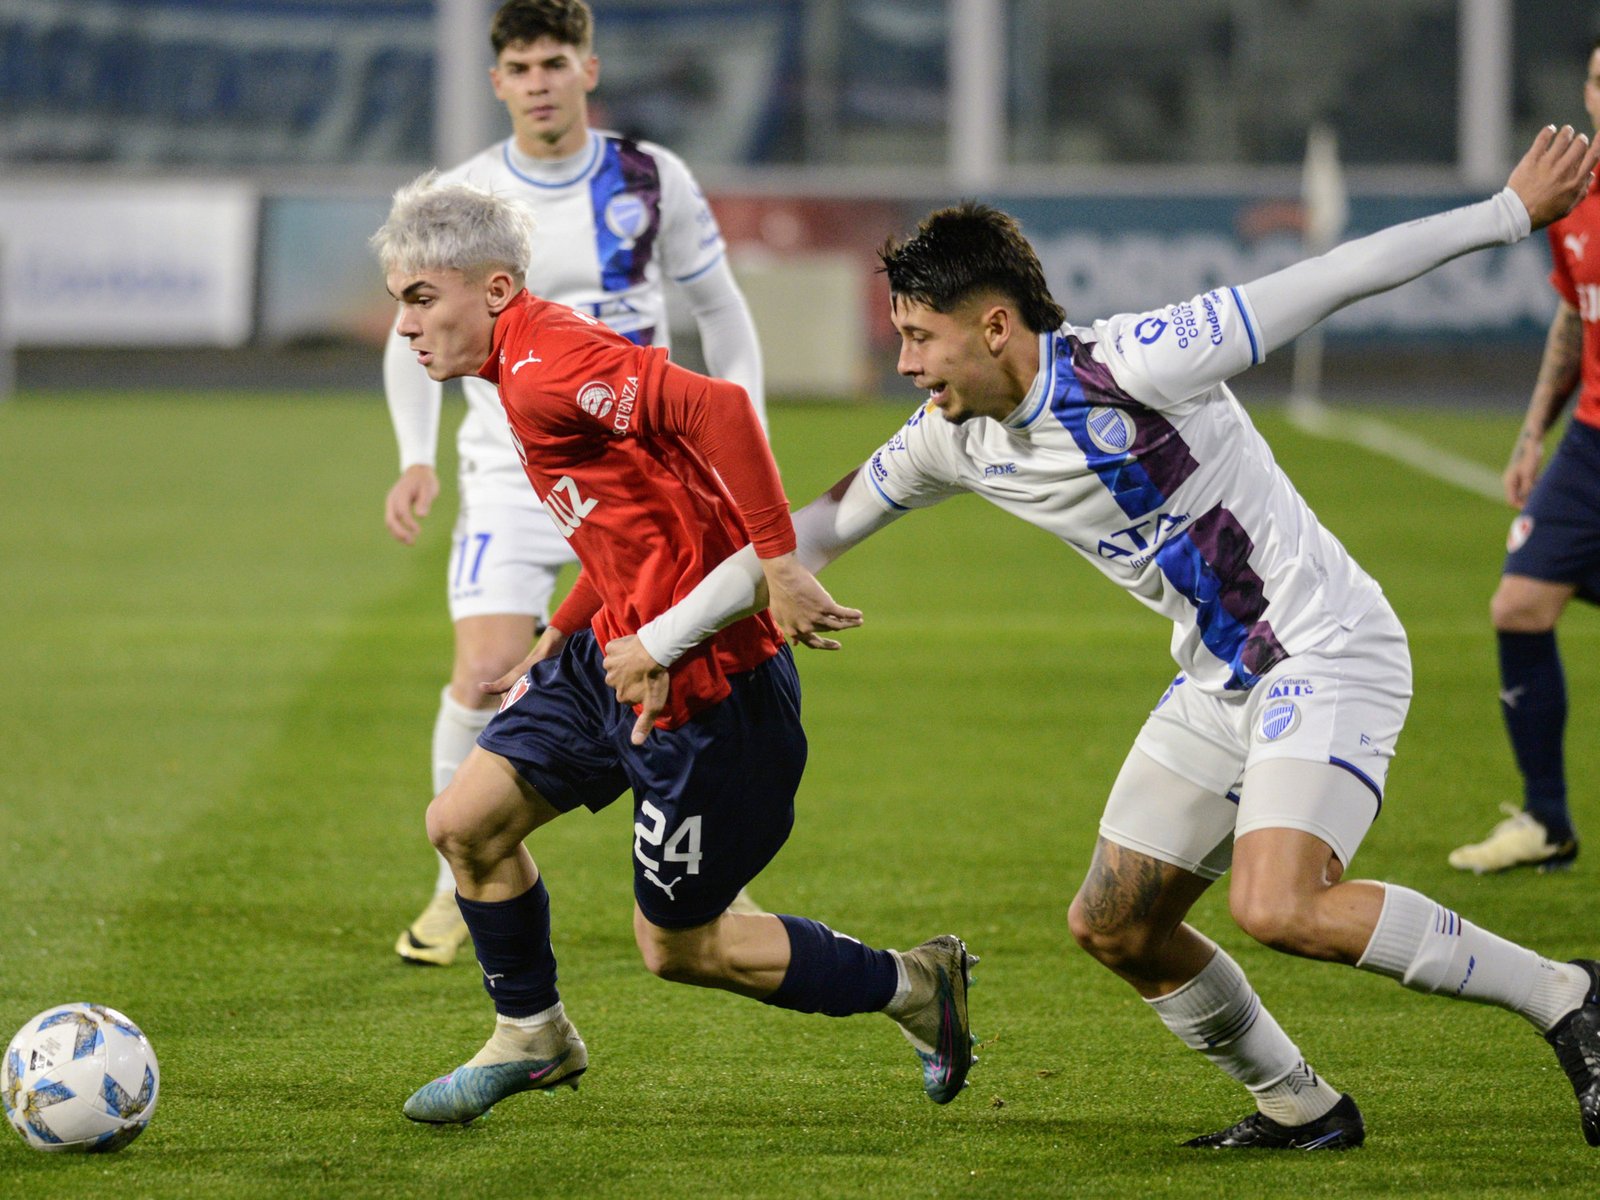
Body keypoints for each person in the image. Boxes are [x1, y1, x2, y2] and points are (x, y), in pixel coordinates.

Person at [605, 126, 1600, 1149]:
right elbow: (805, 531)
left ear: (994, 327)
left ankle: (1567, 994)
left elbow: (1328, 277)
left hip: (1324, 649)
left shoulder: (1140, 361)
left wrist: (1505, 214)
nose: (902, 362)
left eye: (918, 336)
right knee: (1115, 924)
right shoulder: (951, 440)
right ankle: (1299, 1105)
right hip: (1219, 681)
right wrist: (664, 638)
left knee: (1281, 904)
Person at [369, 172, 976, 1125]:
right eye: (398, 302)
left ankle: (915, 984)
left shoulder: (547, 364)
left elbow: (722, 412)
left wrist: (779, 566)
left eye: (419, 298)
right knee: (464, 825)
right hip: (611, 652)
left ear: (491, 289)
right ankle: (532, 1035)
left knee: (680, 948)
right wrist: (559, 634)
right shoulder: (518, 371)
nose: (404, 328)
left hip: (707, 692)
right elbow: (638, 515)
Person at [383, 0, 768, 966]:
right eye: (522, 66)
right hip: (513, 472)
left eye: (557, 61)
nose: (541, 81)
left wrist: (742, 438)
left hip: (640, 467)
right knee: (484, 675)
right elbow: (414, 333)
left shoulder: (650, 177)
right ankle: (452, 885)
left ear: (588, 69)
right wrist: (416, 455)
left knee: (680, 661)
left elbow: (721, 309)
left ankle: (711, 861)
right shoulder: (462, 194)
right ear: (498, 81)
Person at [1450, 39, 1600, 876]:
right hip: (1590, 439)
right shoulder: (1574, 199)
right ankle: (1548, 819)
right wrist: (1532, 432)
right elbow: (1577, 318)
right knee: (1519, 605)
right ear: (1585, 92)